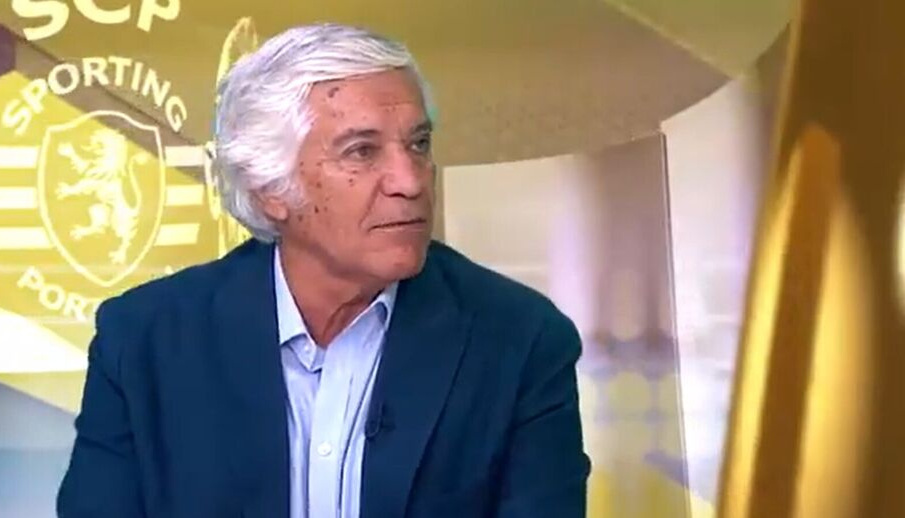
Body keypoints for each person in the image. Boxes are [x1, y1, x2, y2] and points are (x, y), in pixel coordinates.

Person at [56, 22, 590, 518]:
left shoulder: (519, 341)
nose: (411, 181)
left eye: (418, 144)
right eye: (362, 152)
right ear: (270, 189)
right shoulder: (144, 342)